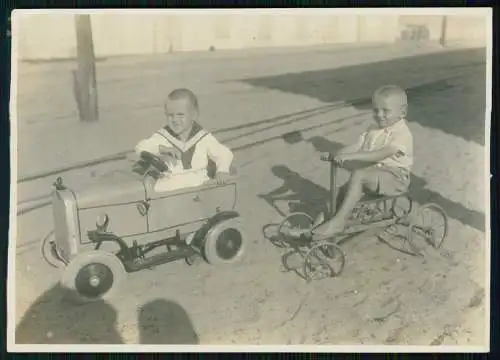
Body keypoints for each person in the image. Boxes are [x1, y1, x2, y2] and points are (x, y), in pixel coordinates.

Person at [285, 85, 413, 240]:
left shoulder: (402, 134)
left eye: (386, 111)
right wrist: (335, 154)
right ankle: (313, 230)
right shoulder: (373, 128)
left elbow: (378, 155)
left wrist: (352, 157)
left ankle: (338, 223)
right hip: (373, 176)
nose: (379, 115)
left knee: (359, 174)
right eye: (375, 110)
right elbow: (356, 145)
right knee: (336, 195)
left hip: (395, 179)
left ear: (402, 112)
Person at [135, 88, 234, 192]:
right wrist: (162, 149)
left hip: (199, 187)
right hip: (169, 188)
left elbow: (223, 153)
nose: (175, 120)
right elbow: (140, 148)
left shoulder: (202, 137)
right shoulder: (162, 136)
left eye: (180, 115)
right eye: (170, 115)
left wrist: (222, 170)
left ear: (194, 115)